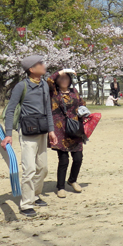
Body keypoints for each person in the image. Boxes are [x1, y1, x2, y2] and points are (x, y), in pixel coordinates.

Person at [2, 55, 56, 218]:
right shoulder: (21, 86)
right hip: (27, 132)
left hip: (42, 130)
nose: (43, 65)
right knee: (29, 168)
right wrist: (8, 134)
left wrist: (51, 130)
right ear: (31, 69)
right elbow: (11, 109)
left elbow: (48, 109)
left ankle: (35, 195)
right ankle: (26, 204)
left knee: (43, 168)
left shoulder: (45, 85)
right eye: (40, 64)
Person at [47, 69, 86, 198]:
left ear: (70, 80)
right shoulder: (53, 92)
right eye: (61, 78)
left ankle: (72, 179)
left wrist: (85, 113)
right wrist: (62, 71)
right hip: (60, 129)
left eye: (66, 77)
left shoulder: (74, 92)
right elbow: (49, 80)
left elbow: (81, 104)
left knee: (78, 158)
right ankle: (61, 187)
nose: (64, 80)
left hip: (74, 128)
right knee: (63, 160)